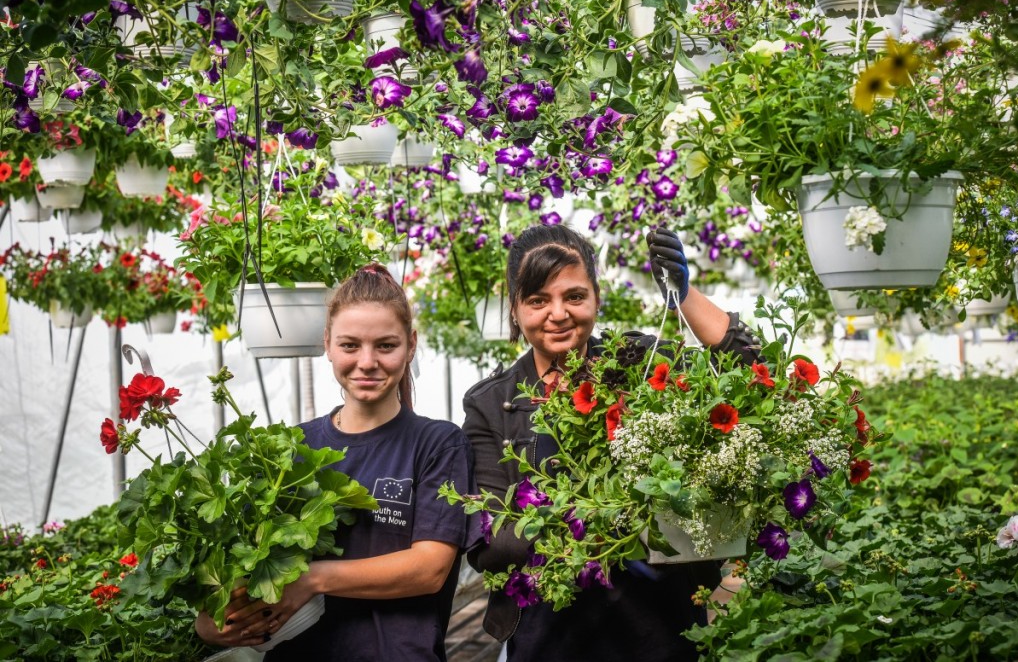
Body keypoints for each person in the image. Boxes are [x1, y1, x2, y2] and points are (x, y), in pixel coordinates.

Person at [463, 224, 760, 662]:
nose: (558, 313)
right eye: (538, 300)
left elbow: (749, 369)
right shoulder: (491, 403)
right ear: (515, 309)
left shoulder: (639, 363)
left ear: (597, 299)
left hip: (659, 626)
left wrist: (683, 294)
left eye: (574, 296)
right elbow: (490, 542)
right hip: (550, 634)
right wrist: (618, 521)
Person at [195, 263, 475, 661]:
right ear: (327, 343)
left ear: (410, 345)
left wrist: (313, 579)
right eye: (349, 345)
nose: (366, 361)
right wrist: (213, 620)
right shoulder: (292, 449)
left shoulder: (437, 444)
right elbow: (245, 566)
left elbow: (428, 569)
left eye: (385, 345)